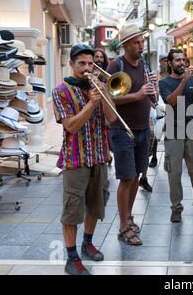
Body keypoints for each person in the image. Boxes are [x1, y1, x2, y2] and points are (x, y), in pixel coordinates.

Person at [52, 44, 117, 275]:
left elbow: (111, 119)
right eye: (82, 63)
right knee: (72, 210)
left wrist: (105, 94)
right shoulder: (61, 91)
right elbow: (70, 125)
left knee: (96, 205)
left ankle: (87, 243)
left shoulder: (97, 87)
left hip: (99, 156)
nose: (87, 68)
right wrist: (91, 103)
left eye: (91, 63)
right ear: (71, 64)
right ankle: (71, 258)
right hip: (76, 159)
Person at [106, 23, 157, 245]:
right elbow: (108, 97)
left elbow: (151, 99)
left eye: (142, 42)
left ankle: (128, 217)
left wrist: (152, 88)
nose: (140, 46)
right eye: (136, 42)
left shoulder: (144, 65)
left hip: (143, 128)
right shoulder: (116, 65)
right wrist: (137, 96)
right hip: (122, 129)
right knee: (126, 178)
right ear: (126, 44)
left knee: (136, 176)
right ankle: (123, 226)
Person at [159, 49, 193, 223]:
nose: (181, 63)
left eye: (183, 60)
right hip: (173, 132)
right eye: (177, 60)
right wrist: (184, 81)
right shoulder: (164, 83)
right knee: (174, 173)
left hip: (192, 130)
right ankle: (176, 208)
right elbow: (172, 101)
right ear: (170, 63)